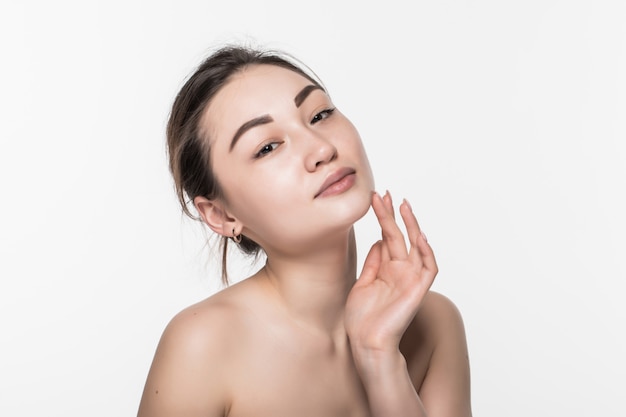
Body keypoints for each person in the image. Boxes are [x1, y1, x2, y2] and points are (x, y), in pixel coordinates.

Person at [137, 45, 472, 417]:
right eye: (267, 147)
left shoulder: (434, 324)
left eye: (320, 114)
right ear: (219, 214)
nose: (321, 148)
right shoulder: (203, 347)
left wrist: (380, 360)